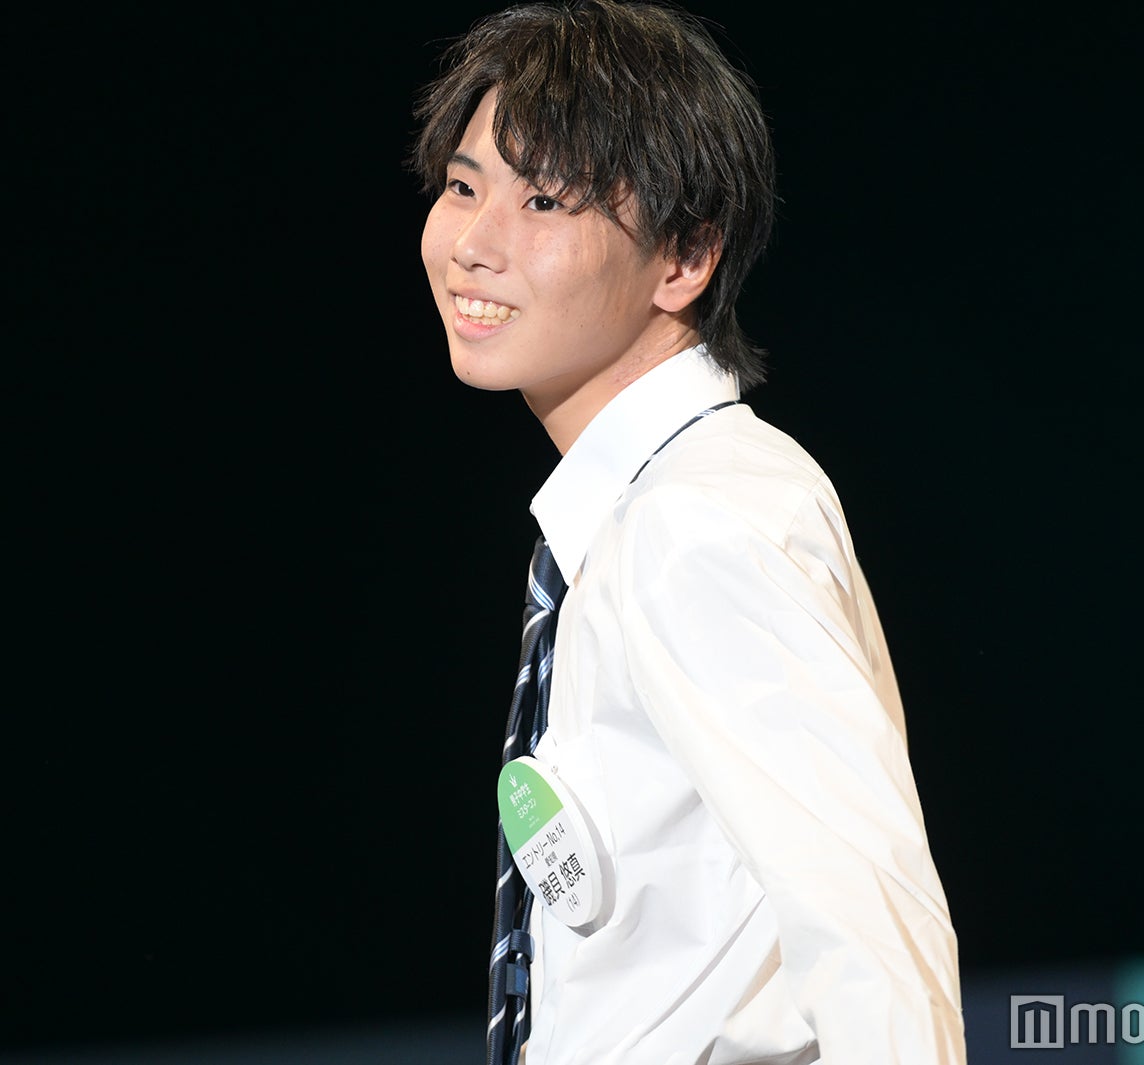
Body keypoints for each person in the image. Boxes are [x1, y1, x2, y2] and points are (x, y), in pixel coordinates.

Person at [412, 2, 967, 1062]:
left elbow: (872, 933)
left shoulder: (700, 516)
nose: (473, 245)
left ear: (685, 255)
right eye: (463, 185)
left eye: (544, 200)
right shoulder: (635, 517)